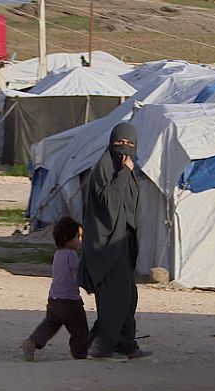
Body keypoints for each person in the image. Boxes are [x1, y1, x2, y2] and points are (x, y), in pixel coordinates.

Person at [78, 122, 150, 360]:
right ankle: (102, 345)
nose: (124, 148)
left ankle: (126, 344)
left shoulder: (127, 171)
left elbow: (131, 209)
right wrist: (123, 174)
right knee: (115, 297)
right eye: (119, 143)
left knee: (128, 296)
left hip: (123, 244)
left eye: (130, 144)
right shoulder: (105, 168)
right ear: (111, 143)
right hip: (106, 245)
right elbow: (107, 203)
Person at [22, 217, 90, 361]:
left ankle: (32, 342)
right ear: (67, 238)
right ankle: (80, 355)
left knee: (49, 325)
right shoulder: (71, 255)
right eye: (78, 237)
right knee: (80, 330)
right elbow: (79, 273)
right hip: (70, 302)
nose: (80, 241)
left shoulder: (58, 255)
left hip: (54, 300)